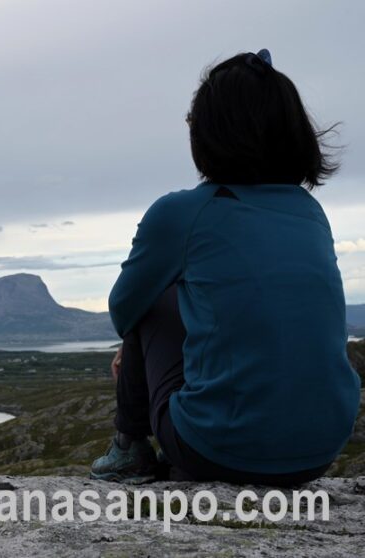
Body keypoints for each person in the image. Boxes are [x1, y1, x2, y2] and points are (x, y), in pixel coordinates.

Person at [90, 49, 361, 486]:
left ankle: (129, 450)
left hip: (216, 449)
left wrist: (136, 344)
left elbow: (124, 308)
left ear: (210, 135)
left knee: (154, 301)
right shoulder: (310, 212)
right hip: (319, 453)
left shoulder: (182, 212)